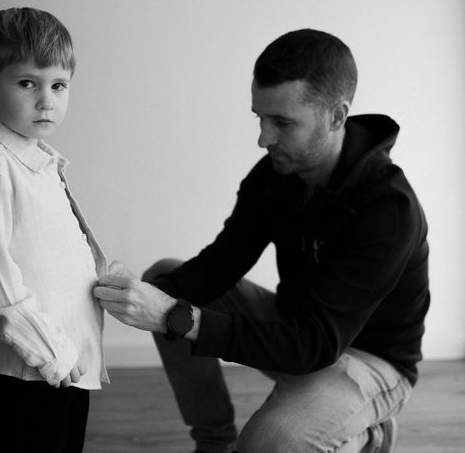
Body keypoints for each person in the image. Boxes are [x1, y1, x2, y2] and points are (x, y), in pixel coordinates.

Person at [95, 28, 430, 453]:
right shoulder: (276, 172)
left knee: (268, 445)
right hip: (298, 329)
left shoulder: (389, 208)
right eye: (260, 117)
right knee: (165, 277)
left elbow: (316, 344)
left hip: (370, 361)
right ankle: (214, 443)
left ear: (336, 116)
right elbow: (221, 264)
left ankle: (369, 432)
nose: (263, 138)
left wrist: (175, 317)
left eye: (283, 123)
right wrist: (136, 296)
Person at [0, 7, 108, 452]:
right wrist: (51, 351)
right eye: (27, 83)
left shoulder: (38, 162)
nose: (47, 100)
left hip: (65, 365)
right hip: (31, 367)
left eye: (58, 85)